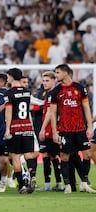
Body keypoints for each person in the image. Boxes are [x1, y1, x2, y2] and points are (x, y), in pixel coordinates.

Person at [49, 64, 96, 194]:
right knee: (64, 156)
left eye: (58, 72)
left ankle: (84, 183)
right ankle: (68, 184)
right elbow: (52, 113)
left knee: (87, 154)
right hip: (64, 129)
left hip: (80, 128)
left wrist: (90, 127)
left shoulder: (79, 88)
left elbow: (87, 108)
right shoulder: (56, 91)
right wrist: (54, 131)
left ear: (66, 73)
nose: (56, 75)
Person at [4, 68, 36, 194]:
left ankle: (22, 186)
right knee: (28, 154)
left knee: (15, 156)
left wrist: (7, 129)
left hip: (15, 126)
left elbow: (9, 111)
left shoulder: (9, 93)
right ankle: (32, 175)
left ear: (11, 77)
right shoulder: (27, 92)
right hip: (27, 125)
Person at [38, 71, 63, 191]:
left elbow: (50, 113)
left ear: (54, 81)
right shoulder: (48, 94)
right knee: (48, 155)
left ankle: (60, 182)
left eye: (47, 81)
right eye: (43, 81)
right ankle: (51, 183)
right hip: (49, 129)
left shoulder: (54, 94)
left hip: (52, 129)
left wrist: (43, 128)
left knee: (55, 155)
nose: (44, 83)